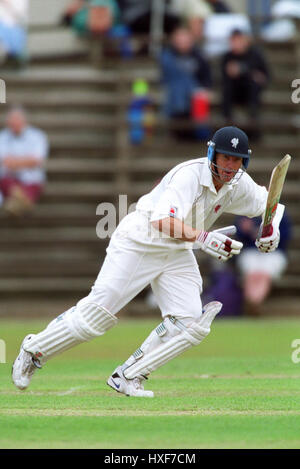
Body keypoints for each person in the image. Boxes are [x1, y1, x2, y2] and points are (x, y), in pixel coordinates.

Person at [12, 126, 285, 398]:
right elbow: (161, 220)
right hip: (141, 240)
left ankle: (129, 376)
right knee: (96, 318)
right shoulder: (188, 175)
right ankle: (34, 350)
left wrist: (271, 229)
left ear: (244, 162)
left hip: (176, 250)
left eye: (236, 160)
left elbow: (271, 204)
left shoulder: (238, 183)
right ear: (213, 154)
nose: (229, 166)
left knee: (190, 322)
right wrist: (203, 237)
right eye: (225, 158)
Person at [160, 26, 212, 140]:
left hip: (194, 94)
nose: (183, 44)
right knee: (179, 85)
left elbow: (206, 77)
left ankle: (200, 134)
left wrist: (204, 89)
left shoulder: (199, 56)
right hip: (176, 95)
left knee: (198, 95)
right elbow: (166, 77)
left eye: (185, 41)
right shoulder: (168, 56)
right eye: (180, 41)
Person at [235, 212, 291, 313]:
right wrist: (245, 230)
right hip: (251, 251)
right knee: (252, 274)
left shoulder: (279, 213)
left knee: (264, 275)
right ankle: (252, 302)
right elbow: (238, 233)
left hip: (273, 252)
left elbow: (285, 235)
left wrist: (266, 235)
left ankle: (255, 302)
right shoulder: (247, 210)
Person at [0, 107, 49, 216]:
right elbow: (5, 161)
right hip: (9, 179)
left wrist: (14, 163)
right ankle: (23, 201)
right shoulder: (2, 136)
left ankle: (15, 203)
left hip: (31, 179)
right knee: (5, 182)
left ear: (24, 121)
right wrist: (26, 161)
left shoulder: (37, 136)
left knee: (32, 186)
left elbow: (36, 160)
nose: (15, 125)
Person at [221, 29, 270, 136]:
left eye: (239, 40)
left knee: (253, 83)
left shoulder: (255, 55)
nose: (236, 44)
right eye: (234, 41)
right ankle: (227, 120)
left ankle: (253, 121)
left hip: (251, 91)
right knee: (228, 87)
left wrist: (243, 71)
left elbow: (265, 75)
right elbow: (224, 76)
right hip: (234, 90)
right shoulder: (227, 57)